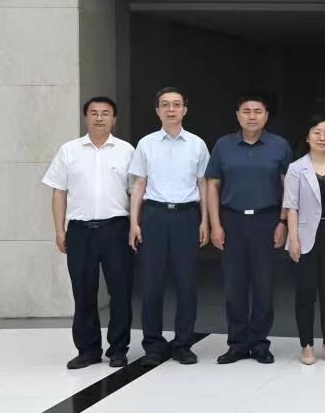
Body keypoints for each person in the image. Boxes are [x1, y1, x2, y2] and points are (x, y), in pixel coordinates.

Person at [43, 96, 136, 370]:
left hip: (116, 229)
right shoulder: (69, 150)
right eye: (94, 113)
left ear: (114, 119)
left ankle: (118, 349)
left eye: (105, 113)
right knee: (83, 291)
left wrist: (135, 225)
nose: (99, 118)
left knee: (121, 291)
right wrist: (59, 229)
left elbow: (136, 192)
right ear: (86, 117)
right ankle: (88, 349)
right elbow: (58, 192)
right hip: (80, 231)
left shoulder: (126, 151)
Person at [206, 95, 293, 365]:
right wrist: (215, 224)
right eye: (246, 111)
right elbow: (212, 185)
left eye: (258, 111)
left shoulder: (279, 146)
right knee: (235, 286)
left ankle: (259, 343)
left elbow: (289, 187)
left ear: (266, 116)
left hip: (266, 220)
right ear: (238, 115)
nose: (252, 116)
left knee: (263, 285)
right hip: (231, 220)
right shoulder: (223, 145)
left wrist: (283, 222)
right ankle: (237, 343)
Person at [128, 87, 210, 368]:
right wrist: (134, 222)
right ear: (158, 110)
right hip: (154, 216)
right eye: (165, 105)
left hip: (187, 217)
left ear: (185, 110)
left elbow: (203, 184)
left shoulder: (197, 144)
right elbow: (138, 184)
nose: (171, 109)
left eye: (176, 104)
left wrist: (205, 221)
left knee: (187, 284)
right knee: (151, 284)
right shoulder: (146, 144)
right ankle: (153, 344)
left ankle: (183, 344)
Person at [284, 116, 325, 365]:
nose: (322, 138)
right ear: (307, 137)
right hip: (305, 237)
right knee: (305, 293)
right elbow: (291, 206)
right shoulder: (296, 168)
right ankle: (307, 344)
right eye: (317, 132)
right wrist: (293, 239)